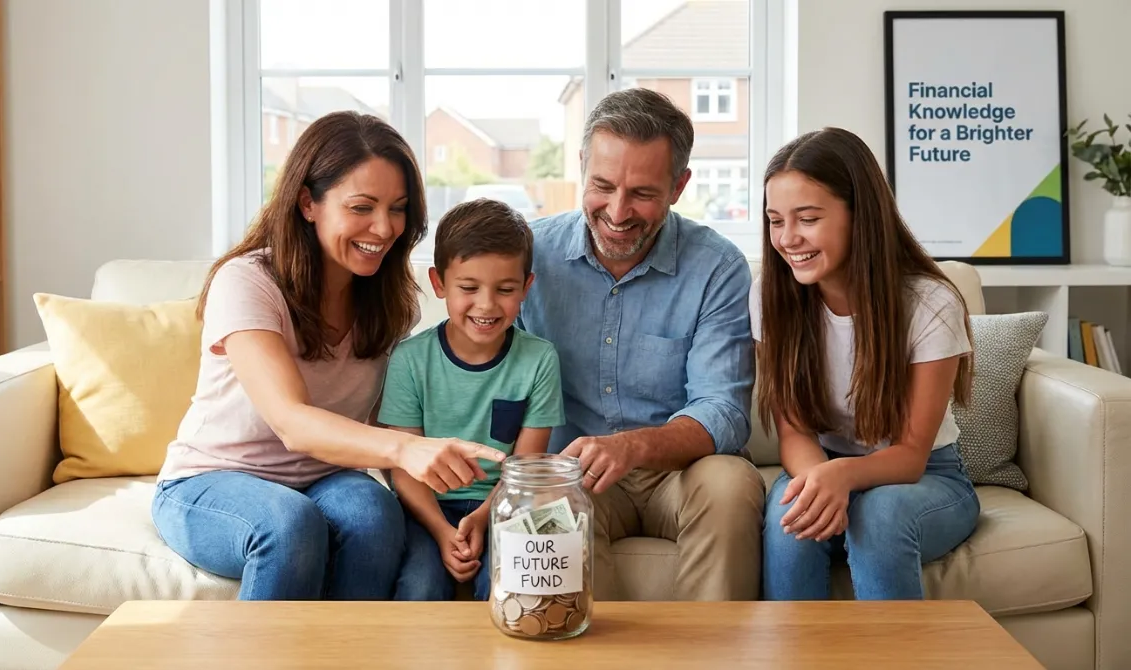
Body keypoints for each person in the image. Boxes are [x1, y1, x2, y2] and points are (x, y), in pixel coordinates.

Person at [151, 111, 507, 601]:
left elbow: (388, 419)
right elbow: (291, 421)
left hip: (323, 478)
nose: (384, 228)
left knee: (374, 515)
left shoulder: (389, 301)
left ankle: (349, 645)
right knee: (288, 524)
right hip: (211, 480)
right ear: (308, 203)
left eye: (398, 209)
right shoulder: (247, 281)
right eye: (362, 207)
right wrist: (404, 449)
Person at [517, 88, 764, 602]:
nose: (617, 211)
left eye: (642, 193)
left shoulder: (716, 267)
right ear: (581, 166)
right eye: (602, 186)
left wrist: (632, 447)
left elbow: (723, 409)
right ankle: (597, 646)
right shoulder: (528, 256)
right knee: (547, 498)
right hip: (577, 474)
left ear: (679, 186)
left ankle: (710, 644)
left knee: (731, 483)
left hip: (680, 475)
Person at [752, 127, 980, 601]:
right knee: (789, 519)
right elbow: (794, 433)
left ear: (861, 215)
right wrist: (820, 482)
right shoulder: (770, 296)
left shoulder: (930, 303)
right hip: (821, 463)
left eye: (807, 218)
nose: (788, 238)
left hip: (928, 476)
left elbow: (912, 454)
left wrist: (844, 477)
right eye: (775, 221)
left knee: (878, 517)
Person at [380, 198, 566, 601]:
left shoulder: (540, 360)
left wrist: (483, 518)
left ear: (526, 287)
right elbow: (404, 469)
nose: (486, 305)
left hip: (506, 506)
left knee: (506, 589)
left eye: (505, 290)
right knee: (420, 588)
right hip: (425, 509)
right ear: (439, 283)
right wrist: (442, 531)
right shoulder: (409, 360)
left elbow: (525, 468)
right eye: (468, 288)